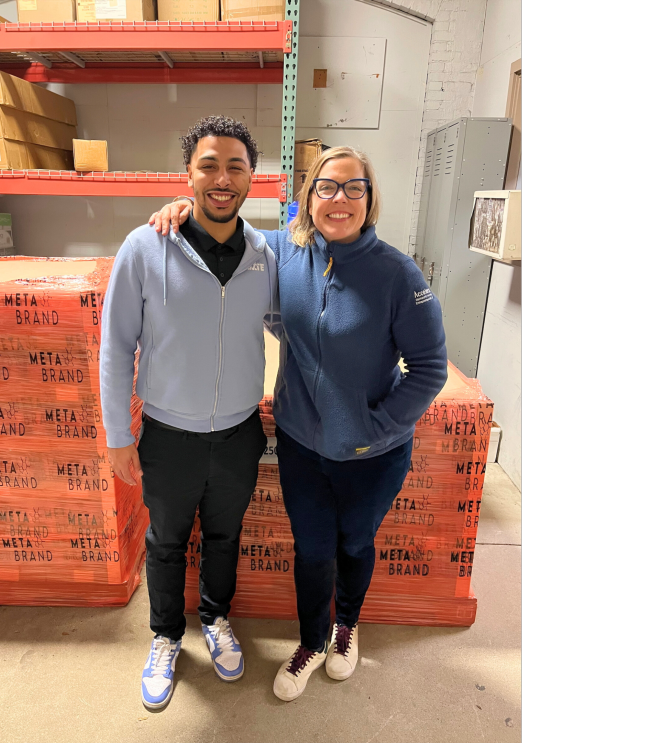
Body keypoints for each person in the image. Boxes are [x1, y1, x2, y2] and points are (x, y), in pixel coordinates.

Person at [148, 146, 448, 702]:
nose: (340, 200)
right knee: (312, 550)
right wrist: (181, 211)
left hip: (373, 454)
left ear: (369, 198)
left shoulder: (396, 275)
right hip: (303, 446)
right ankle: (312, 640)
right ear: (307, 200)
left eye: (353, 188)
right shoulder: (282, 252)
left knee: (354, 543)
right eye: (327, 188)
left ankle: (346, 626)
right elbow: (224, 228)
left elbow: (428, 369)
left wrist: (377, 426)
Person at [100, 116, 279, 711]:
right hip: (168, 433)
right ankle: (166, 636)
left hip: (237, 432)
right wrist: (118, 433)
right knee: (167, 541)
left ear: (253, 178)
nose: (222, 178)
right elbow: (116, 344)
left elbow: (287, 325)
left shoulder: (264, 254)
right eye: (209, 165)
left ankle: (217, 620)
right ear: (188, 175)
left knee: (226, 536)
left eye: (235, 166)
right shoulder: (146, 245)